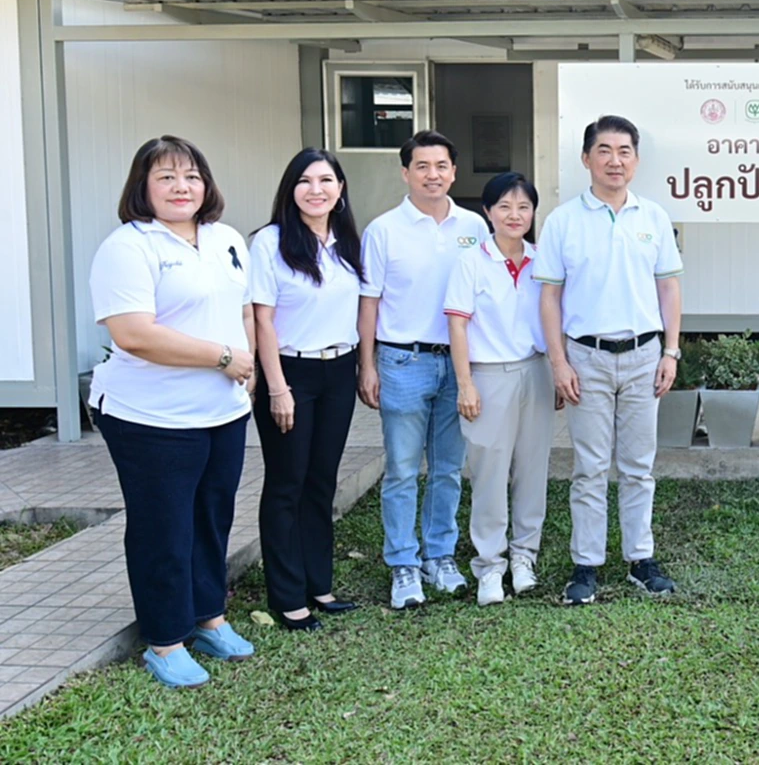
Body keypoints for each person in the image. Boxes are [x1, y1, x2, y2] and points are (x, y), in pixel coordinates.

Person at [88, 136, 258, 687]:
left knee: (212, 517)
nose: (181, 187)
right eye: (166, 177)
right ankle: (165, 640)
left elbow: (242, 310)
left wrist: (248, 366)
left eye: (191, 176)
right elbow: (134, 334)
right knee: (163, 526)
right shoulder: (128, 247)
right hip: (150, 417)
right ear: (143, 186)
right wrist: (224, 357)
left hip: (221, 411)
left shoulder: (225, 238)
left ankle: (209, 617)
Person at [535, 115, 683, 606]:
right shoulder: (562, 221)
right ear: (586, 159)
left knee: (639, 466)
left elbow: (669, 289)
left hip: (644, 356)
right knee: (590, 467)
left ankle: (641, 559)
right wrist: (559, 363)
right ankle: (586, 566)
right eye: (604, 150)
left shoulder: (653, 217)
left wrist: (670, 351)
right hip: (586, 358)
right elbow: (549, 298)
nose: (614, 161)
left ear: (636, 160)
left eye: (624, 151)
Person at [358, 130, 489, 609]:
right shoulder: (383, 230)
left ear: (454, 172)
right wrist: (367, 364)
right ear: (405, 173)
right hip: (402, 361)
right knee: (402, 469)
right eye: (422, 166)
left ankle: (440, 555)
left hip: (459, 363)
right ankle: (403, 563)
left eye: (441, 166)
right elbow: (369, 303)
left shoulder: (475, 226)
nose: (432, 175)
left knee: (449, 468)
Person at [250, 148, 365, 631]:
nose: (316, 190)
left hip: (338, 371)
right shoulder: (270, 242)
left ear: (340, 189)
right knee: (287, 483)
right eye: (305, 181)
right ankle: (287, 595)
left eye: (326, 180)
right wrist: (277, 388)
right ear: (290, 188)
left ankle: (319, 584)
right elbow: (262, 319)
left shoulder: (347, 242)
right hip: (289, 373)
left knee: (321, 481)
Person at [445, 172, 553, 606]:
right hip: (488, 376)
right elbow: (457, 325)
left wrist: (557, 369)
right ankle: (490, 565)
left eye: (524, 207)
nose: (515, 215)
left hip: (536, 371)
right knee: (489, 472)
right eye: (504, 206)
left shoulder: (543, 261)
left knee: (533, 469)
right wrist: (465, 384)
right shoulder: (471, 261)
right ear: (487, 212)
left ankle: (524, 556)